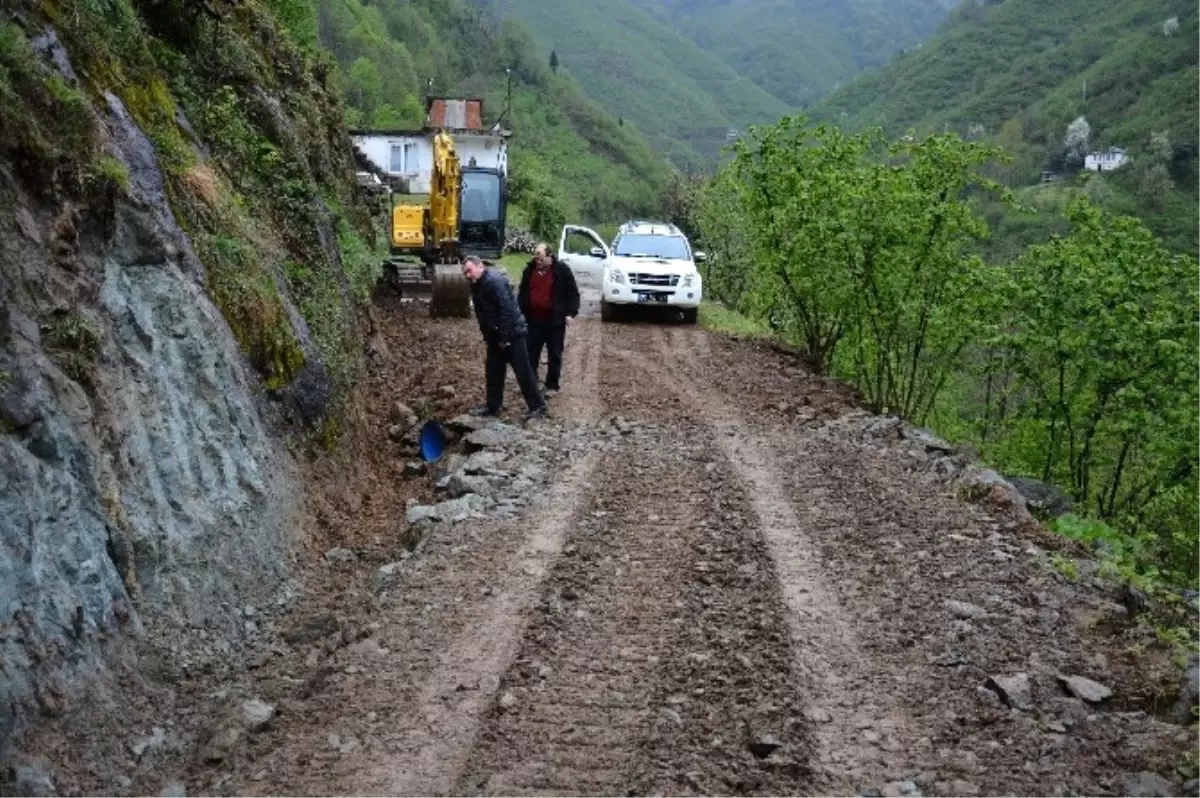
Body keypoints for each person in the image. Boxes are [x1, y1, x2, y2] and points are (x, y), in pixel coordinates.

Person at [461, 256, 547, 421]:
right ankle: (493, 406)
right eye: (465, 273)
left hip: (513, 334)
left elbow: (506, 310)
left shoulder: (494, 282)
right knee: (493, 371)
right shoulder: (476, 286)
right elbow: (482, 313)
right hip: (495, 335)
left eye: (470, 271)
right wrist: (488, 336)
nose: (468, 275)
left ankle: (538, 406)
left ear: (480, 266)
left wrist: (504, 337)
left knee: (523, 371)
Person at [517, 243, 580, 395]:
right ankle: (531, 384)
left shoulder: (561, 270)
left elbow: (573, 293)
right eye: (535, 258)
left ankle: (552, 385)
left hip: (554, 321)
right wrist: (520, 312)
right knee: (531, 353)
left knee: (555, 354)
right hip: (533, 320)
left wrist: (570, 313)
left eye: (540, 258)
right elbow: (522, 292)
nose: (537, 261)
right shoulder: (529, 270)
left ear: (549, 256)